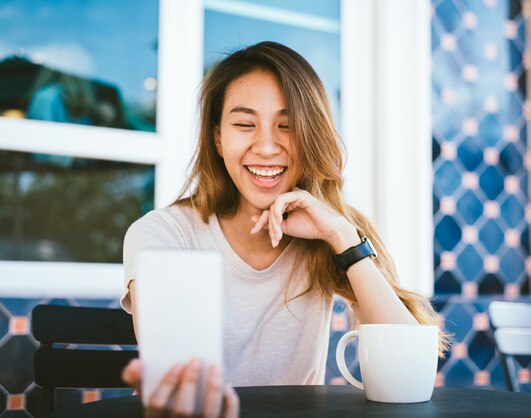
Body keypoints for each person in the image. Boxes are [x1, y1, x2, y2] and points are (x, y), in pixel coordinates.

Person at [120, 41, 448, 418]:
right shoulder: (162, 236)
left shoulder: (335, 230)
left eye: (287, 126)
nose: (266, 146)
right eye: (245, 125)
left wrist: (342, 239)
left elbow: (409, 375)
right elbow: (179, 393)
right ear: (217, 138)